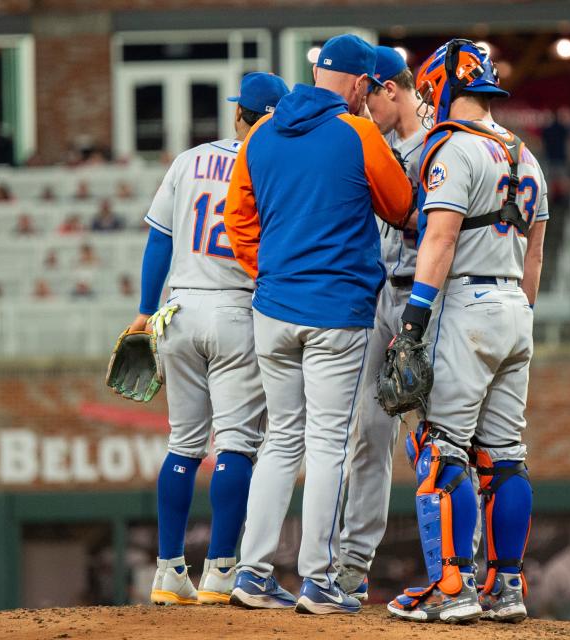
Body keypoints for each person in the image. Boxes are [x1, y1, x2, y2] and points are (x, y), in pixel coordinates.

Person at [224, 34, 412, 615]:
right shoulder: (356, 133)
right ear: (360, 83)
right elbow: (402, 206)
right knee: (329, 443)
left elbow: (238, 220)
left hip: (272, 309)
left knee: (280, 440)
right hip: (338, 313)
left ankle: (251, 573)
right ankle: (318, 580)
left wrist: (273, 273)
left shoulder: (259, 134)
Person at [384, 39, 547, 624]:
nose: (429, 105)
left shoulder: (452, 148)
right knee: (506, 458)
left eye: (431, 94)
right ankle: (507, 587)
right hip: (515, 310)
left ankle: (450, 587)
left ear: (447, 89)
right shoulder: (525, 153)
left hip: (467, 303)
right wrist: (519, 318)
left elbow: (440, 240)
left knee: (440, 449)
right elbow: (535, 258)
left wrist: (412, 324)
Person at [121, 72, 289, 607]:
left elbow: (158, 241)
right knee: (237, 444)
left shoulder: (191, 159)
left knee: (183, 446)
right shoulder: (276, 163)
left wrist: (145, 314)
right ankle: (220, 571)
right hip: (239, 311)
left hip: (180, 310)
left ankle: (168, 571)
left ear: (240, 112)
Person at [338, 45, 425, 603]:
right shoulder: (377, 145)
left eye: (369, 95)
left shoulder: (443, 141)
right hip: (379, 301)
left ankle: (458, 566)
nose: (365, 107)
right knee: (367, 432)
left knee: (440, 438)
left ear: (389, 88)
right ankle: (352, 563)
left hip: (427, 301)